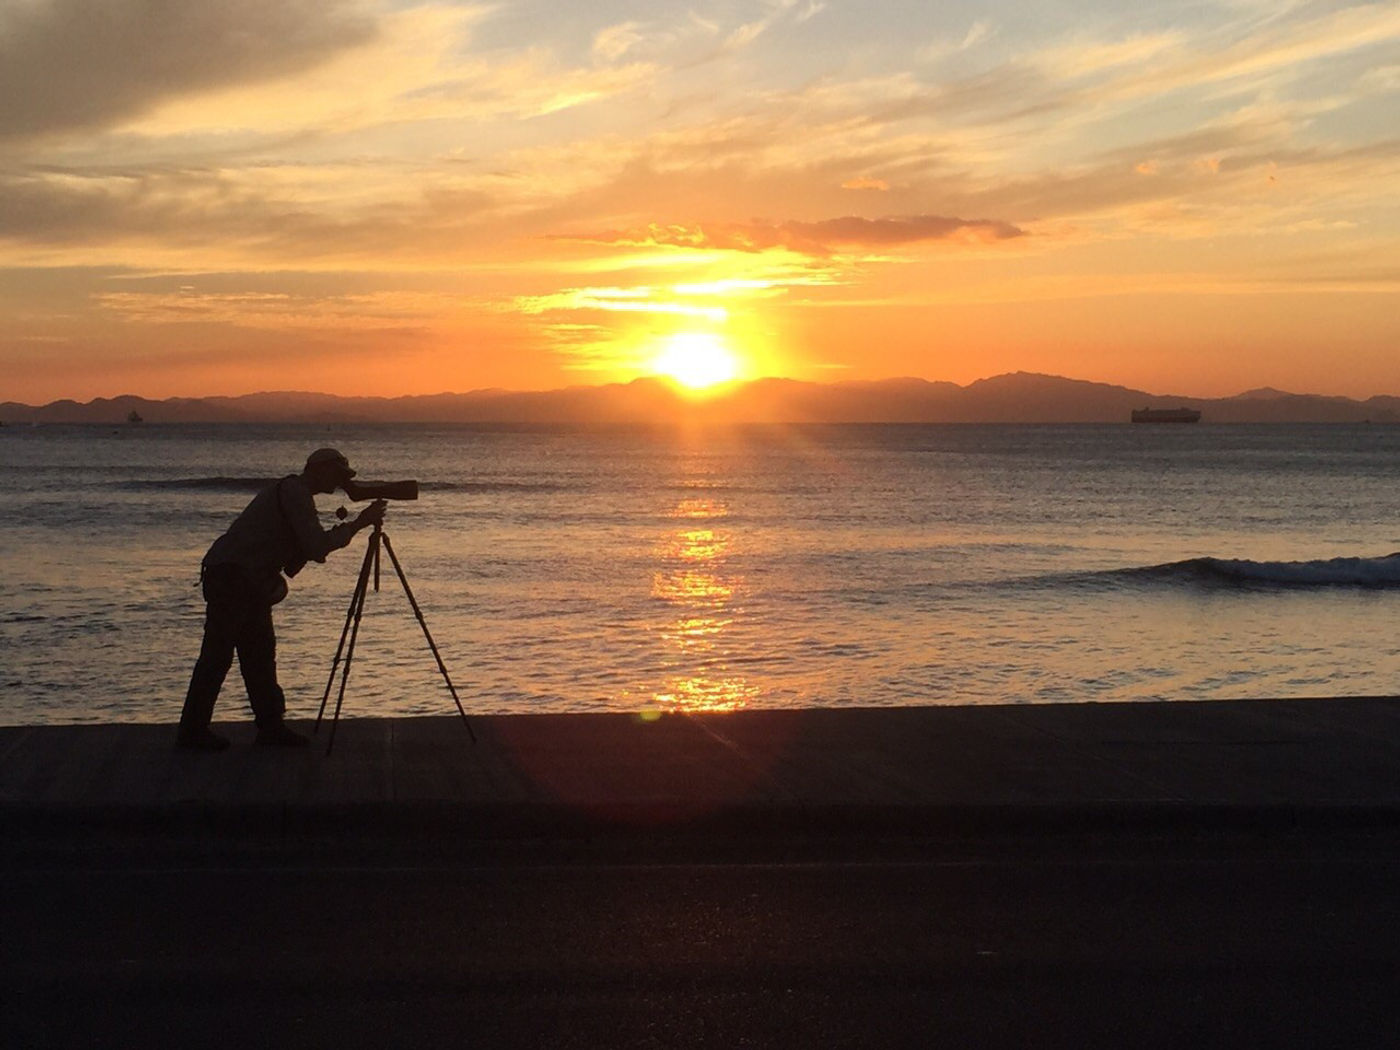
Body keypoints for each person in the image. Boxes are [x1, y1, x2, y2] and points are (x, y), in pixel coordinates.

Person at [176, 448, 386, 751]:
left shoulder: (292, 491)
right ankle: (194, 732)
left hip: (245, 579)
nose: (341, 482)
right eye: (338, 475)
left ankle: (269, 728)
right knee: (218, 657)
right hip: (234, 578)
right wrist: (358, 524)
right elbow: (316, 547)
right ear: (320, 470)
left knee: (258, 654)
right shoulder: (296, 494)